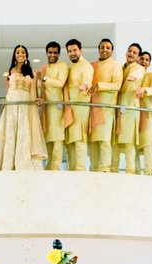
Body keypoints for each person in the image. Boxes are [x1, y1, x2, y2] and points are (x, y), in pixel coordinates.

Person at [0, 45, 46, 170]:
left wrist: (38, 81)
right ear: (14, 55)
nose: (20, 54)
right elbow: (8, 90)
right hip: (12, 103)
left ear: (26, 55)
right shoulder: (9, 72)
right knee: (11, 131)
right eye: (18, 52)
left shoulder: (31, 73)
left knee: (24, 130)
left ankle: (23, 162)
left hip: (25, 104)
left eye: (23, 52)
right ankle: (8, 163)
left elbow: (36, 92)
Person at [87, 38, 122, 173]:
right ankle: (94, 168)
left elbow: (117, 85)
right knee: (93, 141)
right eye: (102, 47)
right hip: (92, 107)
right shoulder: (92, 66)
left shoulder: (115, 65)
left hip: (106, 108)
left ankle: (105, 169)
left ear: (112, 51)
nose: (105, 50)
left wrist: (99, 85)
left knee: (105, 140)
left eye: (108, 48)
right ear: (99, 49)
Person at [113, 43, 145, 175]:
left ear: (138, 57)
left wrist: (133, 77)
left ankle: (130, 170)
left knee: (129, 141)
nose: (131, 54)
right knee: (115, 141)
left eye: (135, 52)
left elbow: (138, 73)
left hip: (130, 107)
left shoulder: (138, 68)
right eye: (129, 51)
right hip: (118, 106)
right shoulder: (121, 68)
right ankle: (113, 169)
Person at [37, 41, 69, 170]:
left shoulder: (63, 66)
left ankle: (55, 167)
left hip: (57, 106)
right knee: (48, 137)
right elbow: (40, 87)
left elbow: (60, 83)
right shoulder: (44, 68)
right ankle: (48, 167)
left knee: (57, 138)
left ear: (59, 54)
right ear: (46, 53)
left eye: (55, 52)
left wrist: (44, 79)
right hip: (45, 107)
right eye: (50, 52)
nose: (52, 55)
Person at [64, 39, 94, 171]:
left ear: (81, 51)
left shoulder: (86, 65)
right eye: (69, 51)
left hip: (81, 106)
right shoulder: (71, 67)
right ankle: (72, 170)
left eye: (75, 50)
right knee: (71, 140)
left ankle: (80, 170)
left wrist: (85, 86)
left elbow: (88, 81)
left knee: (80, 138)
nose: (72, 53)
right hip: (71, 107)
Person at [135, 51, 152, 176]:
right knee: (134, 143)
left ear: (149, 63)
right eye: (142, 59)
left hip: (147, 113)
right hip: (133, 112)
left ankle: (149, 172)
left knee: (148, 143)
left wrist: (144, 89)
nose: (144, 61)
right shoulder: (132, 73)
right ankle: (136, 173)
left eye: (147, 60)